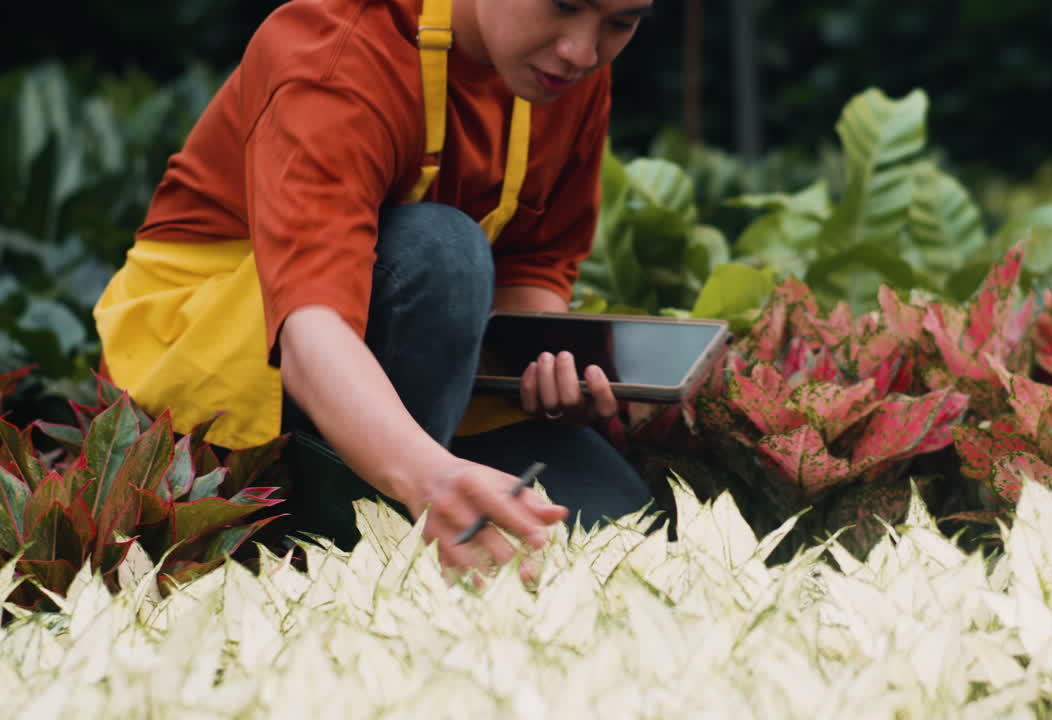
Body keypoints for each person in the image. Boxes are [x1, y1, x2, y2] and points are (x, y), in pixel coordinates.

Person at [92, 0, 657, 581]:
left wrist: (540, 368)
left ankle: (408, 507)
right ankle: (336, 541)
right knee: (441, 250)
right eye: (562, 6)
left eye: (621, 22)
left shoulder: (560, 70)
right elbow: (309, 327)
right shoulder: (336, 46)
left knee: (623, 536)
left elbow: (534, 266)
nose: (581, 51)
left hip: (428, 378)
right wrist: (427, 476)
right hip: (222, 368)